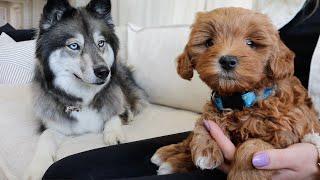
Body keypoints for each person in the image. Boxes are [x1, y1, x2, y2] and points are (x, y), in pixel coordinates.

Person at [43, 0, 320, 179]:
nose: (226, 54)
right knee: (66, 173)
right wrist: (202, 135)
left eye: (251, 44)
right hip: (226, 117)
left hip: (290, 149)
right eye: (209, 42)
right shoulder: (283, 8)